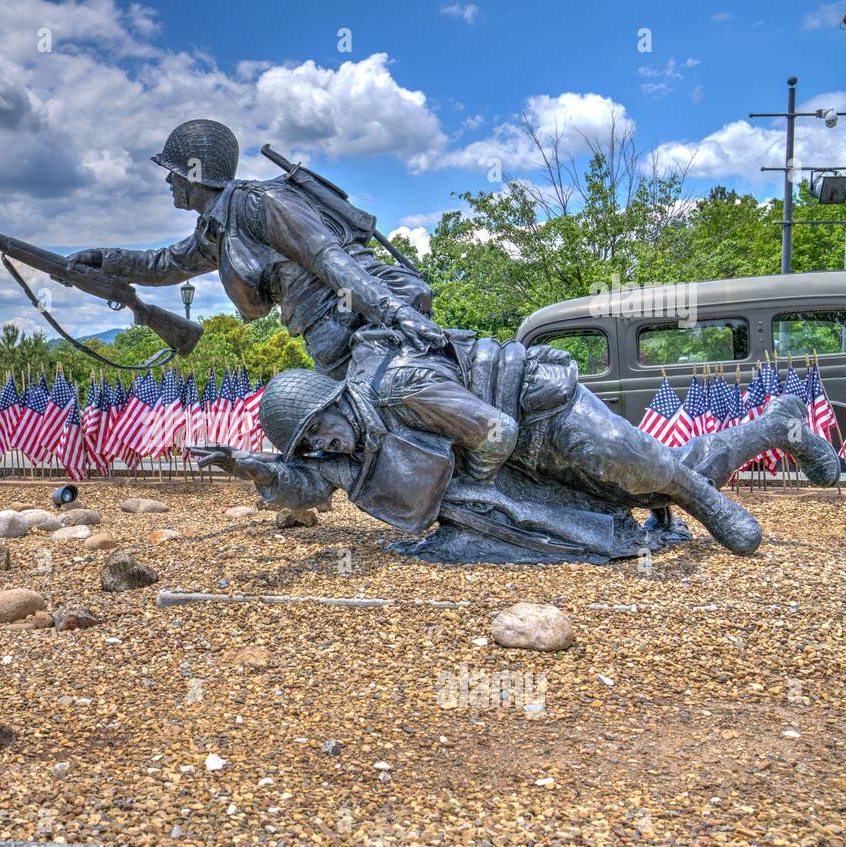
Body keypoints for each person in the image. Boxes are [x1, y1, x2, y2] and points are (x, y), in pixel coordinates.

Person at [67, 118, 517, 481]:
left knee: (391, 392)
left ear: (192, 174)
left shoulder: (261, 203)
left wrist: (395, 313)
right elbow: (164, 263)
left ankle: (489, 434)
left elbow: (331, 261)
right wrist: (102, 260)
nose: (167, 180)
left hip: (358, 319)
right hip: (326, 339)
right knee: (357, 433)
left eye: (172, 171)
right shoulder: (217, 227)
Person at [195, 336, 841, 559]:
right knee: (645, 484)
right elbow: (318, 488)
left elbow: (494, 433)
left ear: (332, 403)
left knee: (645, 468)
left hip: (539, 410)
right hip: (520, 452)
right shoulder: (352, 441)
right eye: (311, 447)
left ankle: (704, 498)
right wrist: (258, 470)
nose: (325, 448)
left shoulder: (397, 387)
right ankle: (778, 425)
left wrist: (477, 487)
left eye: (318, 433)